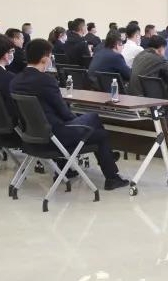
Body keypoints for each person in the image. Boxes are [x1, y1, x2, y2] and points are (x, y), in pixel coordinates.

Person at [10, 39, 130, 190]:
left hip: (31, 136)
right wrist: (79, 122)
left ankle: (65, 169)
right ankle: (112, 177)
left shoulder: (15, 81)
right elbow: (65, 113)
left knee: (89, 125)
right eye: (50, 56)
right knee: (97, 126)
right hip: (54, 137)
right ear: (45, 58)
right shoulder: (46, 81)